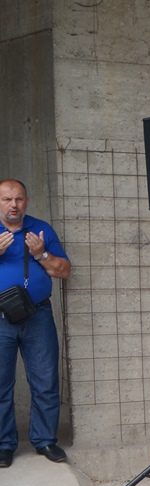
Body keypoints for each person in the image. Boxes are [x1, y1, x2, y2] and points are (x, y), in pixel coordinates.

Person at [0, 179, 72, 468]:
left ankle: (44, 440)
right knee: (0, 384)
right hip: (0, 319)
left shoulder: (41, 230)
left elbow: (64, 271)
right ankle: (3, 445)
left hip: (37, 315)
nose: (13, 205)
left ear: (26, 202)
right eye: (7, 199)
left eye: (18, 199)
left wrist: (41, 253)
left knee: (45, 380)